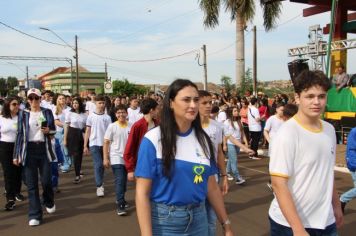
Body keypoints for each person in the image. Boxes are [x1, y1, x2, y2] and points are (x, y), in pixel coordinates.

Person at [135, 79, 233, 236]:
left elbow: (212, 187)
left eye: (196, 100)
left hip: (199, 219)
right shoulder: (153, 140)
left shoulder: (204, 140)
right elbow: (142, 193)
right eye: (186, 100)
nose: (193, 105)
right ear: (171, 103)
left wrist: (226, 224)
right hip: (165, 222)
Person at [269, 70, 343, 236]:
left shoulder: (329, 130)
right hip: (290, 224)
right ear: (297, 98)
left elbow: (327, 173)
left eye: (321, 96)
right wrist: (298, 228)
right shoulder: (287, 134)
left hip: (326, 221)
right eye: (310, 96)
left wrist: (336, 206)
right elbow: (278, 184)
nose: (316, 102)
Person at [13, 88, 57, 226]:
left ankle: (48, 200)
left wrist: (48, 130)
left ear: (40, 99)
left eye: (36, 98)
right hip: (29, 150)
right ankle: (35, 215)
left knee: (46, 182)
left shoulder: (47, 112)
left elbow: (53, 130)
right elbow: (19, 134)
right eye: (30, 98)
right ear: (27, 100)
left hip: (44, 149)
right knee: (32, 185)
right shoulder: (23, 114)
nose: (33, 101)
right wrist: (16, 155)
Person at [198, 90, 229, 236]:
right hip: (194, 177)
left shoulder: (216, 126)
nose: (208, 106)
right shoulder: (188, 126)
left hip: (213, 176)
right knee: (196, 217)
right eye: (204, 103)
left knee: (211, 217)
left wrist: (224, 176)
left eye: (210, 102)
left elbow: (219, 154)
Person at [103, 105, 131, 216]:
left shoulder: (131, 126)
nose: (121, 114)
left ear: (126, 113)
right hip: (116, 157)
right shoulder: (112, 126)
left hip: (128, 158)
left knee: (124, 182)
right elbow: (106, 142)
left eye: (123, 112)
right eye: (118, 112)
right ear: (115, 114)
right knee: (120, 179)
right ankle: (120, 204)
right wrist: (105, 158)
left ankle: (121, 198)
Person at [123, 98, 159, 181]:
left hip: (157, 163)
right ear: (151, 110)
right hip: (142, 163)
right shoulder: (137, 126)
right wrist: (130, 169)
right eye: (156, 109)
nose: (157, 111)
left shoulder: (158, 124)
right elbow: (129, 147)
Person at [84, 94, 112, 197]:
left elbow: (110, 133)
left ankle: (100, 182)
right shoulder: (91, 116)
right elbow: (87, 131)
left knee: (103, 166)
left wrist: (110, 147)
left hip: (104, 144)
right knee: (98, 164)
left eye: (103, 103)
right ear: (95, 103)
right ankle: (99, 186)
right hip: (94, 144)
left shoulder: (107, 117)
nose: (101, 105)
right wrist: (85, 145)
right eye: (99, 103)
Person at [0, 96, 24, 211]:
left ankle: (17, 192)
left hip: (18, 146)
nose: (17, 106)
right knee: (8, 172)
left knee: (18, 171)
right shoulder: (1, 118)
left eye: (18, 104)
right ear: (8, 106)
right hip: (4, 147)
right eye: (14, 104)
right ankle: (10, 199)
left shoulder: (21, 118)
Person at [223, 106, 255, 185]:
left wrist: (246, 143)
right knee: (234, 161)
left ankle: (227, 172)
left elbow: (242, 133)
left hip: (239, 144)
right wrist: (224, 145)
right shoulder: (226, 122)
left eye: (237, 111)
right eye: (234, 111)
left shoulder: (238, 121)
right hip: (230, 144)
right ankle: (237, 178)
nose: (237, 112)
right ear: (231, 112)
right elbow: (225, 135)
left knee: (231, 159)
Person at [64, 97, 87, 184]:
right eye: (73, 103)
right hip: (72, 134)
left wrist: (86, 140)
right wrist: (65, 139)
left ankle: (79, 169)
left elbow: (85, 128)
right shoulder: (69, 113)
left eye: (76, 103)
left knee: (80, 155)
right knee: (75, 155)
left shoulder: (84, 114)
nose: (75, 105)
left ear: (80, 104)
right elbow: (66, 126)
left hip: (81, 134)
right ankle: (77, 175)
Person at [340, 127, 356, 214]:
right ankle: (342, 199)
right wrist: (353, 163)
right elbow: (351, 149)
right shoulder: (354, 131)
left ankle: (342, 200)